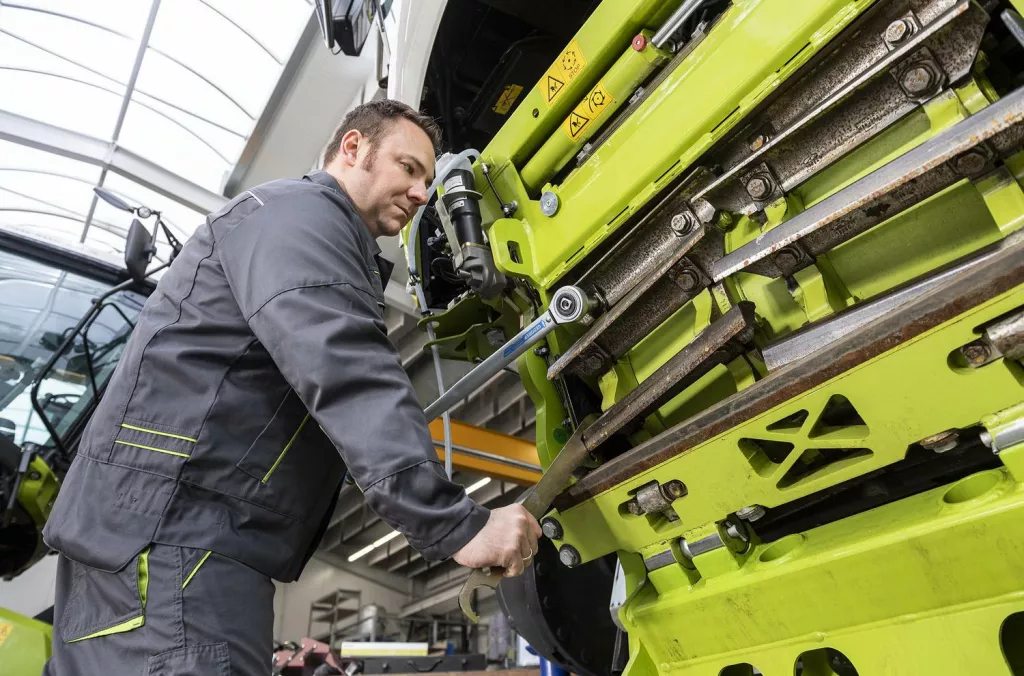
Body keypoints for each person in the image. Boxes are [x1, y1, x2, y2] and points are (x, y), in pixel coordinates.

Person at [42, 100, 541, 675]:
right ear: (352, 148)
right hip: (178, 545)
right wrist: (455, 523)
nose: (421, 193)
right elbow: (347, 367)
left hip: (138, 547)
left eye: (428, 181)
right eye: (409, 168)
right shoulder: (303, 217)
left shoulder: (280, 220)